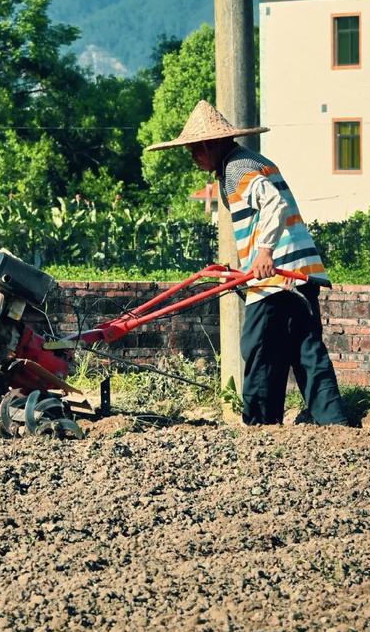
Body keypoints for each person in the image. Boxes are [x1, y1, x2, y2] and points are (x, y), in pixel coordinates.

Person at [147, 99, 349, 427]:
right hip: (301, 274)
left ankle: (259, 427)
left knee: (258, 350)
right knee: (306, 353)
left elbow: (274, 204)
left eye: (195, 149)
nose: (192, 156)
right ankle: (335, 424)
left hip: (277, 276)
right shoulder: (251, 161)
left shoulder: (236, 167)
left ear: (212, 144)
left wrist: (265, 252)